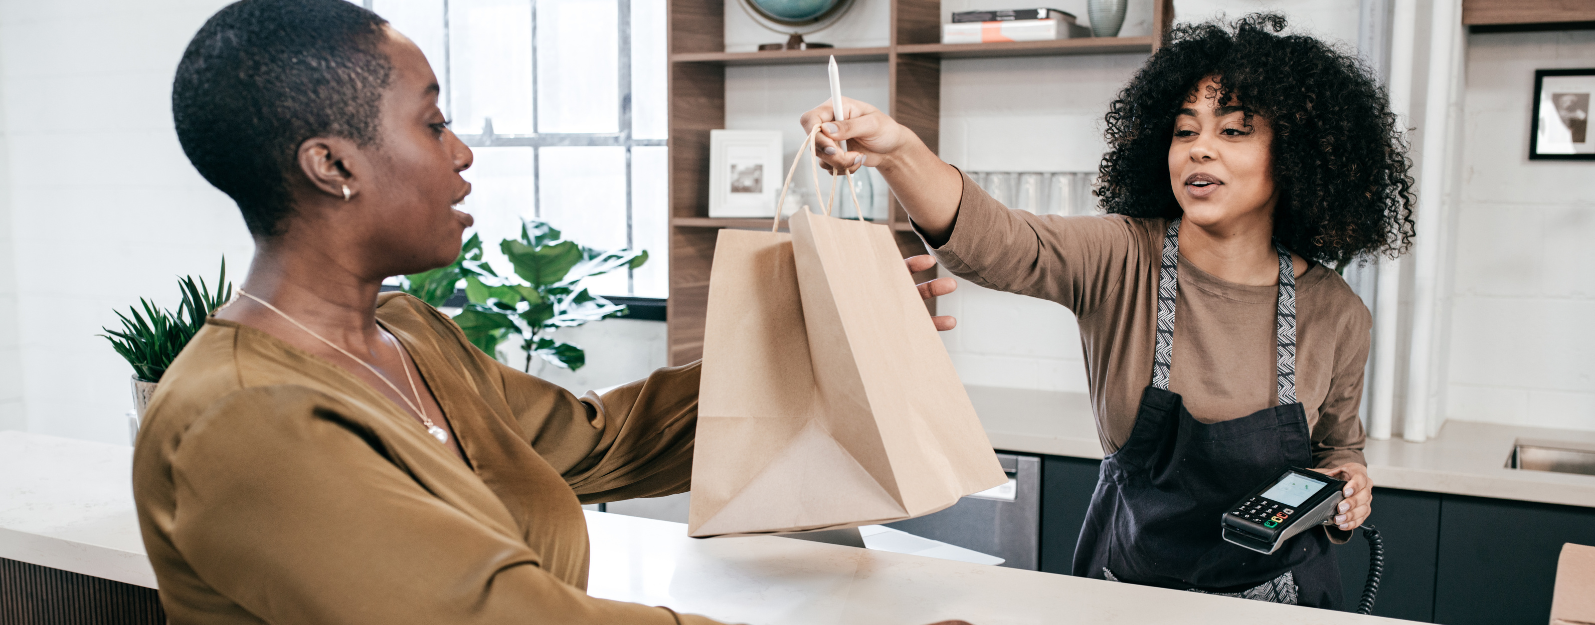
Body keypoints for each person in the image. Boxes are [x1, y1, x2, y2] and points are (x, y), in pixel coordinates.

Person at [133, 1, 958, 623]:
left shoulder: (411, 334)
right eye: (433, 122)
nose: (461, 152)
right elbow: (505, 613)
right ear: (331, 163)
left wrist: (830, 334)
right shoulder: (241, 419)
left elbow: (601, 440)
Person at [801, 14, 1415, 610]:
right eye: (1184, 131)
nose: (1200, 150)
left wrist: (1348, 489)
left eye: (1232, 131)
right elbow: (1001, 242)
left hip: (1281, 603)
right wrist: (898, 153)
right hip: (1127, 593)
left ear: (1295, 156)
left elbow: (1338, 447)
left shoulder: (1337, 312)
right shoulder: (1123, 258)